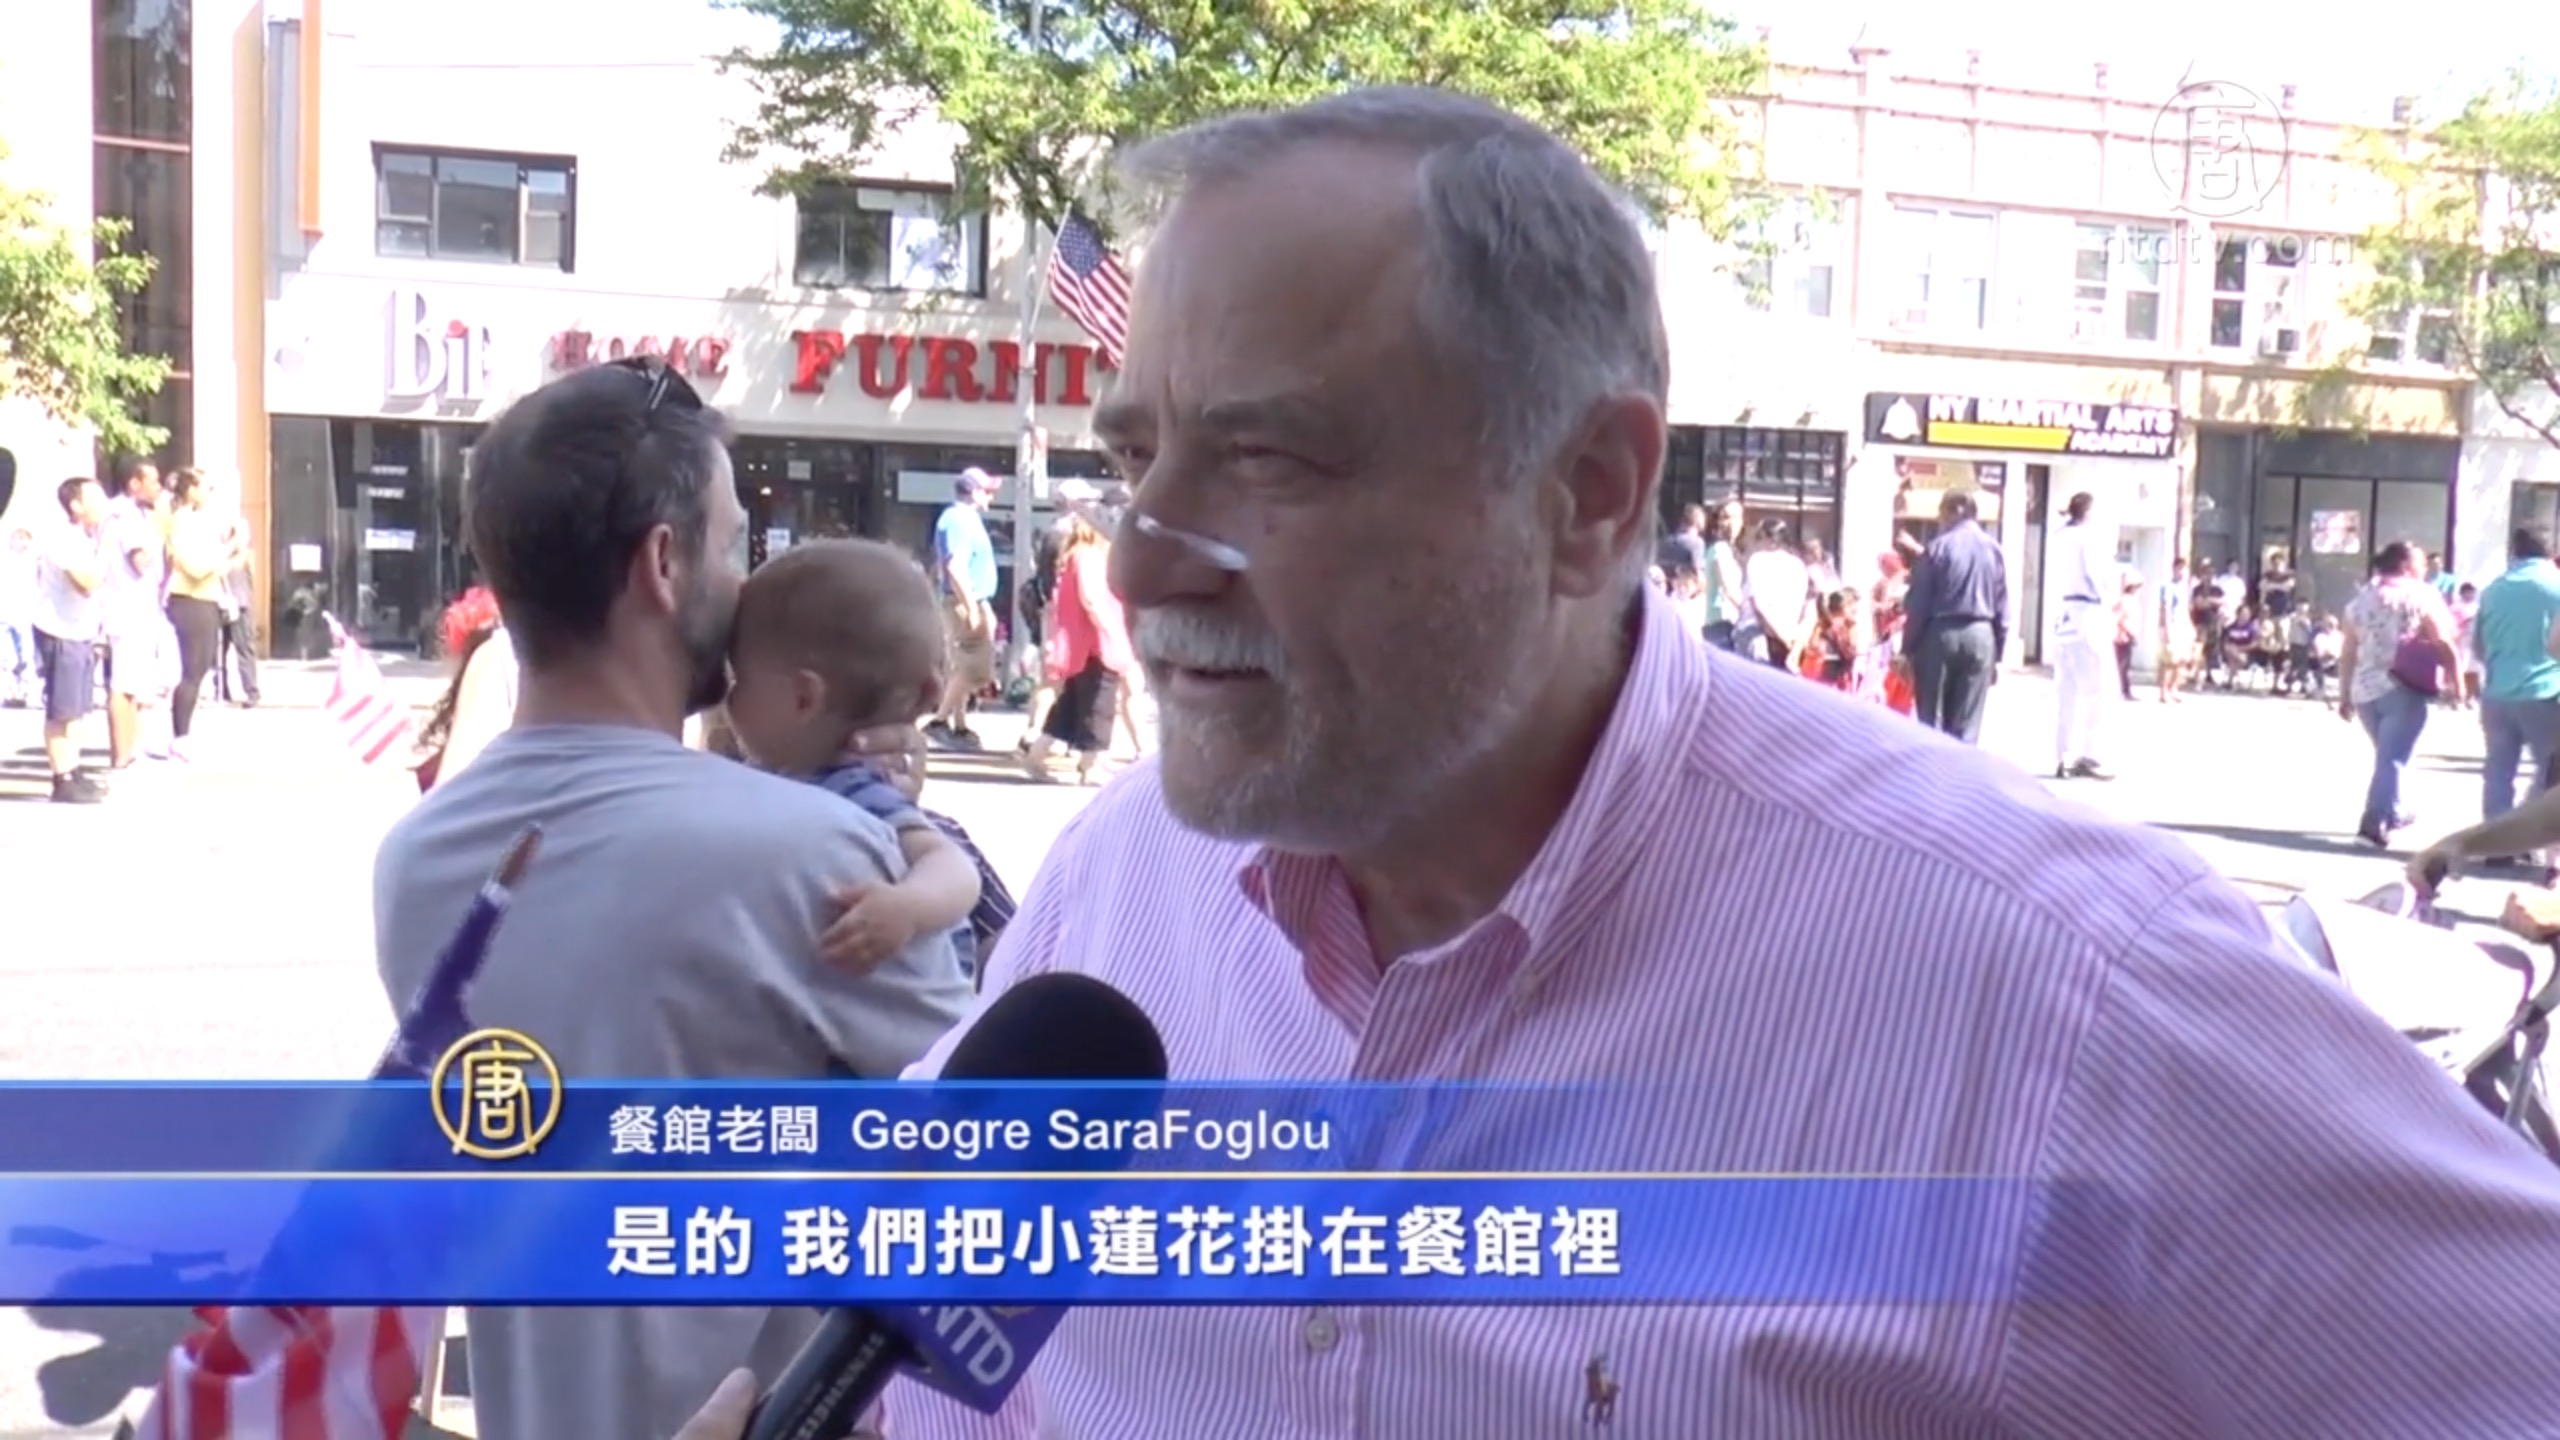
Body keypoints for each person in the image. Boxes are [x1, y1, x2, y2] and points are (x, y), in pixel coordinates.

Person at [882, 86, 2560, 1440]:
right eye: (1136, 456)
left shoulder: (2072, 994)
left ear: (1590, 494)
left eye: (1268, 459)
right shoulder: (1117, 898)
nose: (1144, 556)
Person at [371, 356, 973, 1440]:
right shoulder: (808, 850)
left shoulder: (417, 860)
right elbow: (997, 1136)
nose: (747, 591)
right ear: (662, 563)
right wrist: (900, 828)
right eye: (734, 546)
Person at [724, 537, 1012, 977]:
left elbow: (954, 868)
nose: (725, 700)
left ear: (803, 698)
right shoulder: (772, 775)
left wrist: (908, 908)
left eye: (737, 681)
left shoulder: (853, 788)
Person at [2337, 540, 2461, 848]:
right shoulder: (2419, 594)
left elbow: (2348, 650)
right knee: (2393, 758)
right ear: (2406, 565)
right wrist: (2456, 678)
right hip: (2405, 685)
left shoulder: (2361, 600)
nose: (2425, 567)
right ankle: (2376, 821)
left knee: (2388, 756)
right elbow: (2442, 639)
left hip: (2365, 690)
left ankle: (2395, 811)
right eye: (2420, 561)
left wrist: (2344, 693)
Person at [2471, 525, 2560, 848]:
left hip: (2497, 692)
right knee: (2550, 774)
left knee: (2498, 770)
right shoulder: (2556, 585)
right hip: (2545, 690)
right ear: (2551, 550)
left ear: (2514, 551)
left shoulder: (2494, 589)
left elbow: (2478, 646)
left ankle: (2494, 844)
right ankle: (2525, 836)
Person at [1899, 488, 2005, 744]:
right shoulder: (1993, 550)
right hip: (1981, 634)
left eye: (1941, 513)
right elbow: (2003, 606)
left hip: (1940, 634)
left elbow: (1918, 604)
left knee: (1932, 721)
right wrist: (1996, 655)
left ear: (1956, 511)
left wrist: (1907, 650)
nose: (1939, 520)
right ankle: (1962, 766)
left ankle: (1934, 767)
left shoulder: (1938, 548)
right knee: (1967, 724)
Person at [30, 478, 110, 804]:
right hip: (60, 631)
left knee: (76, 710)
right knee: (61, 711)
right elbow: (86, 583)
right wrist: (106, 553)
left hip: (80, 632)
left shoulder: (83, 538)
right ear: (76, 506)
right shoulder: (64, 538)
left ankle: (73, 769)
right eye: (96, 498)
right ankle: (61, 778)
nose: (103, 505)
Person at [161, 468, 245, 755]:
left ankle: (183, 734)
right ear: (191, 491)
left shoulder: (200, 520)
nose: (211, 495)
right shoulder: (181, 521)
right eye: (206, 488)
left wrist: (232, 552)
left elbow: (215, 566)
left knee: (201, 666)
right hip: (190, 599)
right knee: (193, 669)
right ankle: (180, 736)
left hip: (206, 598)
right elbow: (197, 567)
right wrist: (229, 547)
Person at [926, 467, 1002, 749]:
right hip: (966, 600)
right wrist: (971, 607)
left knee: (963, 666)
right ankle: (939, 722)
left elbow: (941, 565)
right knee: (975, 668)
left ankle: (959, 725)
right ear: (973, 492)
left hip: (968, 599)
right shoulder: (960, 520)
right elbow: (955, 567)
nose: (992, 497)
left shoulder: (962, 518)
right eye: (988, 491)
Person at [2049, 491, 2116, 780]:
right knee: (2099, 689)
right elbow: (2097, 574)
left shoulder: (2059, 536)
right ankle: (2091, 755)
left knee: (2067, 690)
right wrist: (2110, 599)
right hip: (2088, 610)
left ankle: (2063, 754)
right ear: (2089, 512)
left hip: (2064, 611)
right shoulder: (2089, 537)